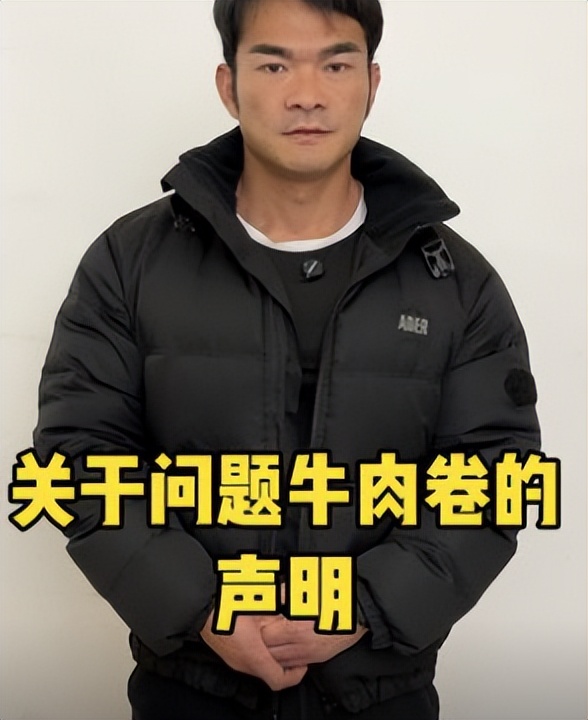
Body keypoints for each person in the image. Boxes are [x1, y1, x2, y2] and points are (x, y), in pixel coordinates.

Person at [33, 0, 540, 718]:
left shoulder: (455, 281)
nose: (307, 94)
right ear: (228, 84)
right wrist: (206, 608)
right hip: (189, 690)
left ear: (371, 82)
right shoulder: (130, 263)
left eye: (336, 64)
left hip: (381, 694)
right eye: (273, 65)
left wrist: (360, 606)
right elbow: (79, 454)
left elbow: (495, 474)